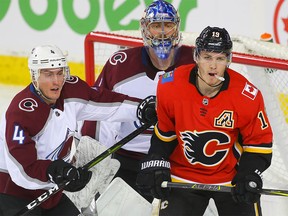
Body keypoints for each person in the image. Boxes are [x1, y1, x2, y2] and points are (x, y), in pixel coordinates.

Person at [0, 45, 156, 216]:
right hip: (12, 189)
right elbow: (21, 170)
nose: (56, 81)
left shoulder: (70, 91)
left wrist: (139, 108)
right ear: (34, 76)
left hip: (52, 188)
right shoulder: (22, 113)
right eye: (48, 74)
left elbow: (105, 102)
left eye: (60, 73)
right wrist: (55, 172)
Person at [136, 26, 273, 216]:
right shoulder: (170, 86)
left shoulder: (247, 96)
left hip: (229, 178)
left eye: (220, 58)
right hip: (182, 175)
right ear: (196, 57)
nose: (213, 66)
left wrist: (249, 173)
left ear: (229, 60)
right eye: (207, 57)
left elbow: (259, 145)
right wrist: (155, 160)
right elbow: (165, 135)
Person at [81, 0, 195, 203]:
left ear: (176, 28)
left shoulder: (195, 63)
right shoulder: (120, 66)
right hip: (129, 160)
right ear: (144, 29)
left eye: (168, 25)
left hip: (179, 161)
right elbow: (98, 114)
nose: (162, 32)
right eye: (155, 25)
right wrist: (93, 163)